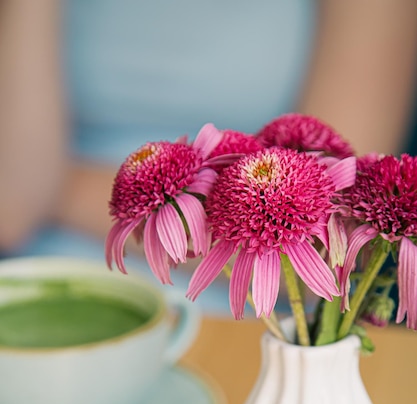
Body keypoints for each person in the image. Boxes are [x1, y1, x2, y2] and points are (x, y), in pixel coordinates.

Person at [1, 0, 417, 311]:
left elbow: (327, 248)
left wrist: (50, 184)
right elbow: (11, 212)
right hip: (30, 283)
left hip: (245, 320)